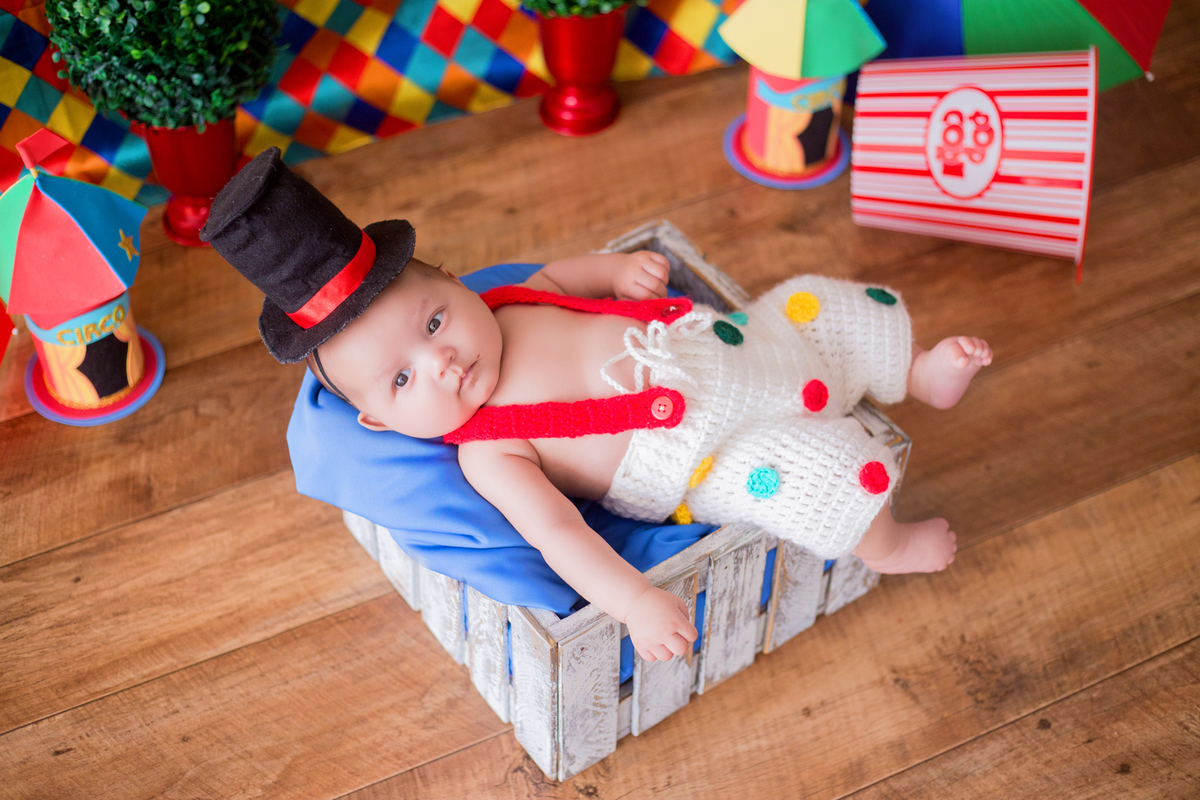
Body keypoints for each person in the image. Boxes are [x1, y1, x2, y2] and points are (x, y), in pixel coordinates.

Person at [204, 148, 992, 665]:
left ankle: (916, 372)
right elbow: (559, 535)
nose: (439, 361)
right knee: (830, 468)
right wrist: (638, 600)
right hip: (707, 457)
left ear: (455, 280)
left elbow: (565, 274)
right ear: (377, 421)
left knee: (818, 308)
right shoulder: (491, 453)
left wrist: (616, 279)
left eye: (436, 320)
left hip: (725, 344)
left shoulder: (513, 301)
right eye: (403, 381)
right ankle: (884, 541)